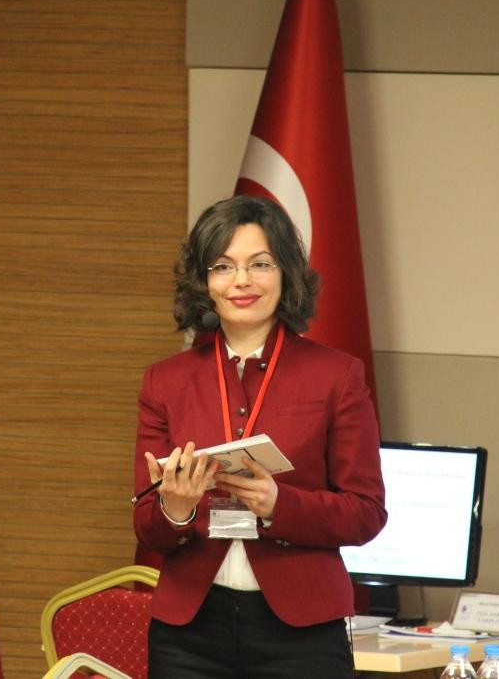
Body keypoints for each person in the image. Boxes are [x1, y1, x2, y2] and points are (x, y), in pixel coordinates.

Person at [133, 195, 386, 678]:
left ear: (286, 273)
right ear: (204, 282)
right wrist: (176, 509)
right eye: (223, 266)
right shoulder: (165, 381)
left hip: (302, 629)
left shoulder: (337, 376)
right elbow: (146, 524)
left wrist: (278, 505)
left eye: (260, 264)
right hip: (189, 634)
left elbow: (366, 512)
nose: (242, 280)